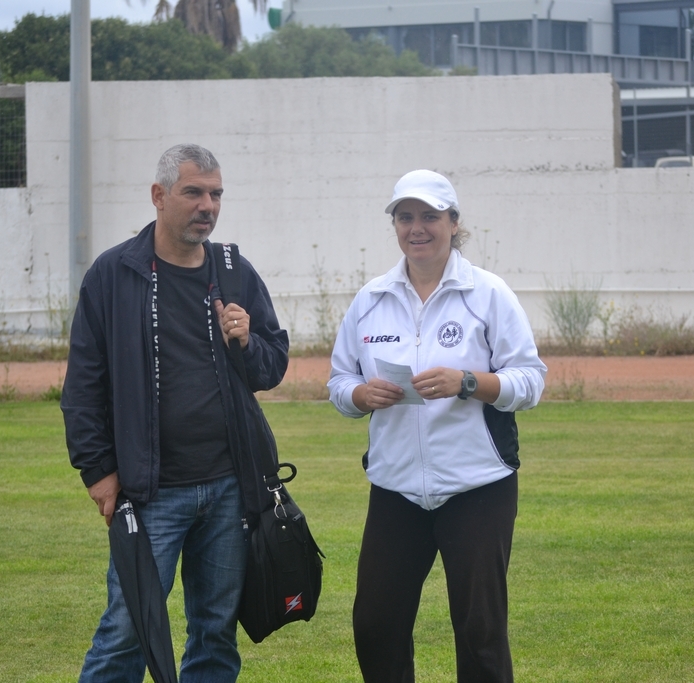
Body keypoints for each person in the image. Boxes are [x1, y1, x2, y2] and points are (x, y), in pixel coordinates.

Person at [61, 143, 289, 682]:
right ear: (159, 196)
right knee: (127, 628)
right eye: (194, 192)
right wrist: (97, 470)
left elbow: (272, 366)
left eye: (216, 194)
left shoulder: (233, 271)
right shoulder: (114, 274)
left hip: (230, 487)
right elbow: (84, 384)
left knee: (215, 631)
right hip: (150, 491)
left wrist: (246, 341)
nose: (208, 206)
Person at [327, 169, 547, 682]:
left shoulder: (487, 294)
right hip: (396, 487)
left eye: (430, 216)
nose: (417, 228)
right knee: (376, 625)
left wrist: (467, 382)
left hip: (477, 486)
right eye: (405, 217)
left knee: (479, 631)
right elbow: (339, 381)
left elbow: (530, 381)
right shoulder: (371, 299)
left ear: (453, 223)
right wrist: (361, 395)